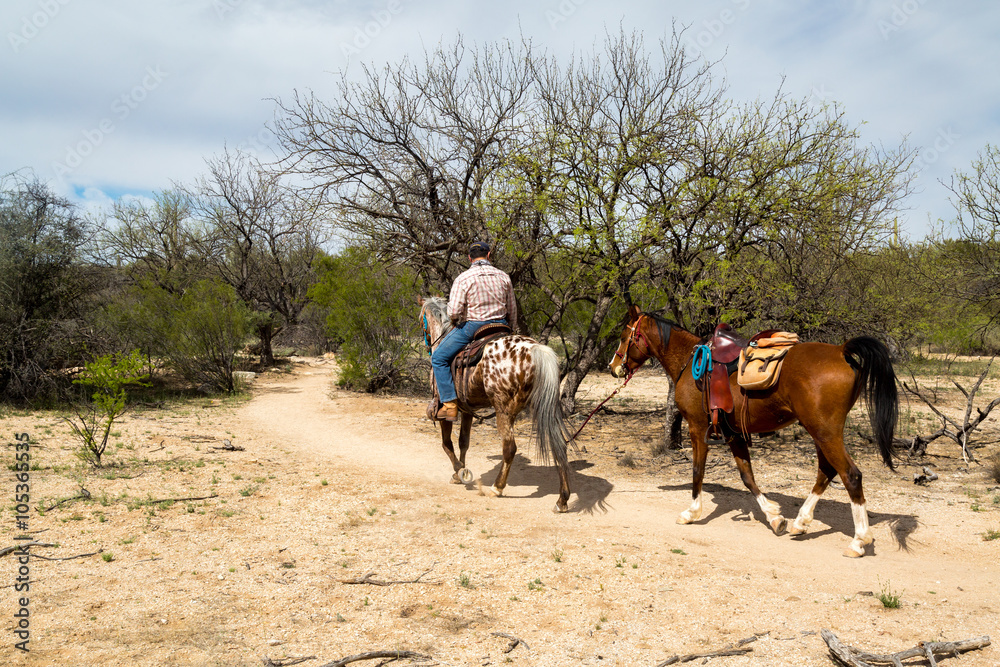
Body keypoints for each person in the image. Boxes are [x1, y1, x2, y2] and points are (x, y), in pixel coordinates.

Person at [432, 241, 517, 421]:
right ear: (488, 255)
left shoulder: (464, 278)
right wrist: (512, 330)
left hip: (474, 327)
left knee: (438, 358)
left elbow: (453, 312)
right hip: (502, 326)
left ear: (470, 258)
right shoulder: (503, 276)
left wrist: (457, 320)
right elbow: (512, 309)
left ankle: (449, 404)